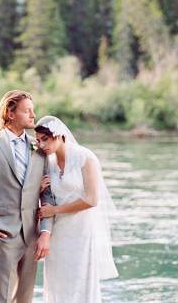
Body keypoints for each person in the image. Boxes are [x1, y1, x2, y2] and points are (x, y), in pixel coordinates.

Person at [0, 90, 54, 303]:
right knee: (1, 297)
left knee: (24, 298)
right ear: (10, 113)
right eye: (27, 111)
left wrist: (45, 232)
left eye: (33, 111)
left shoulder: (39, 148)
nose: (33, 116)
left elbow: (48, 195)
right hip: (2, 233)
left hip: (31, 234)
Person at [34, 115, 118, 303]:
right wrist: (37, 188)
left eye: (45, 139)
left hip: (81, 231)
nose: (41, 145)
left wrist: (55, 210)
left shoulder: (85, 158)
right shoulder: (48, 163)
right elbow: (45, 197)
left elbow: (91, 199)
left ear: (59, 136)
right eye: (38, 140)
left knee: (80, 282)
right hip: (57, 234)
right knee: (57, 284)